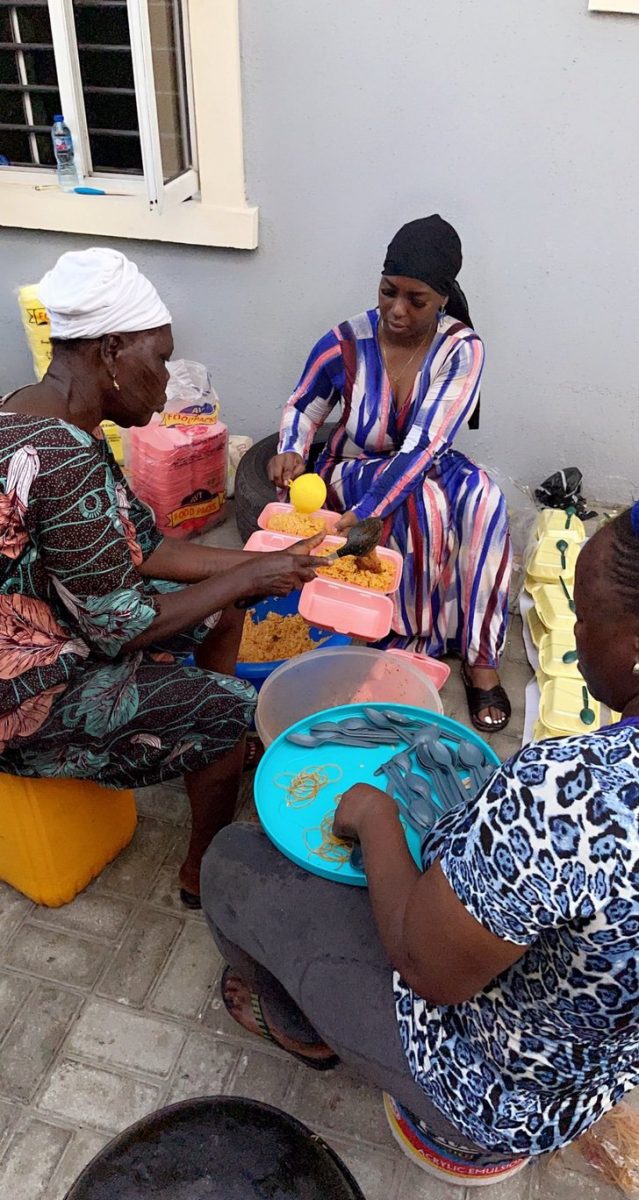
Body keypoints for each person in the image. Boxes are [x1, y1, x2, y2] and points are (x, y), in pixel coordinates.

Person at [201, 504, 639, 1177]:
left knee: (234, 863)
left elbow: (426, 969)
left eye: (585, 618)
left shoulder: (573, 796)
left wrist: (375, 816)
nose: (575, 635)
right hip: (592, 1064)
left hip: (490, 1085)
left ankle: (301, 1027)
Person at [0, 247, 322, 908]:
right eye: (161, 356)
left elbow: (144, 549)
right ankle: (201, 862)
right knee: (231, 710)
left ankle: (202, 754)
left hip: (58, 623)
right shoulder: (66, 461)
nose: (170, 376)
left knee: (224, 610)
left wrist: (281, 562)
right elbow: (123, 628)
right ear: (112, 351)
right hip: (20, 697)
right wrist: (250, 575)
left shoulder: (37, 415)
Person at [268, 215, 512, 732]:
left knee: (486, 499)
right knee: (424, 505)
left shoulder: (462, 350)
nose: (397, 310)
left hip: (427, 459)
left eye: (416, 299)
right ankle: (404, 642)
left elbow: (426, 446)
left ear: (443, 298)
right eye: (388, 292)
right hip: (353, 465)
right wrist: (291, 448)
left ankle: (480, 654)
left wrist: (368, 514)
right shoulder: (345, 342)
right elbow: (303, 407)